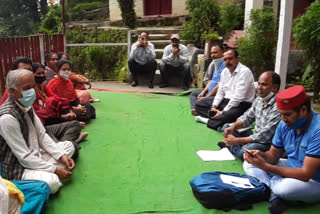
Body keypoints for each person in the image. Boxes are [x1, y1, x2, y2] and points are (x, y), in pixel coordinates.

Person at [243, 85, 320, 214]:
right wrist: (261, 155)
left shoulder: (317, 130)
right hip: (292, 167)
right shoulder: (284, 123)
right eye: (281, 114)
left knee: (285, 189)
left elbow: (306, 174)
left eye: (287, 115)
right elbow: (273, 155)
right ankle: (274, 195)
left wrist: (267, 168)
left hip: (314, 181)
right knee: (249, 163)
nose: (283, 119)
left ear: (304, 110)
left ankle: (271, 189)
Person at [0, 69, 76, 194]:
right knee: (53, 182)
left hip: (37, 155)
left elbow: (42, 135)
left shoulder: (25, 105)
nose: (32, 91)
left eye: (33, 86)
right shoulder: (7, 118)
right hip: (19, 167)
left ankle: (48, 169)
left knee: (69, 146)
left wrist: (61, 156)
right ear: (12, 91)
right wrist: (54, 170)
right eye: (27, 88)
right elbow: (24, 157)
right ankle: (46, 175)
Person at [219, 71, 281, 160]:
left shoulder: (278, 106)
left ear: (275, 88)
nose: (259, 88)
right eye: (258, 84)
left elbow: (264, 135)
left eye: (264, 85)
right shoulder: (259, 100)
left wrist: (237, 141)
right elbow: (247, 117)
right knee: (226, 127)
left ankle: (231, 147)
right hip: (255, 135)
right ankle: (236, 145)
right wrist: (233, 126)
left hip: (267, 143)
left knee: (243, 153)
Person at [195, 49, 255, 131]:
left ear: (237, 59)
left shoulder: (245, 72)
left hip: (241, 104)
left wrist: (223, 112)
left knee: (227, 115)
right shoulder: (224, 72)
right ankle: (221, 120)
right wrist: (214, 106)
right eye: (225, 59)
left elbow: (239, 97)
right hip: (225, 101)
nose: (227, 62)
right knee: (199, 104)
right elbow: (220, 92)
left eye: (230, 59)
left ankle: (209, 120)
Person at [189, 44, 225, 116]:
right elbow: (210, 80)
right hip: (209, 92)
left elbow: (220, 85)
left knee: (200, 102)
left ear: (222, 52)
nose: (212, 55)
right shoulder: (214, 63)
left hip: (218, 95)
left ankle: (203, 110)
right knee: (194, 94)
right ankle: (196, 109)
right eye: (211, 53)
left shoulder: (226, 65)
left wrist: (207, 97)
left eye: (215, 52)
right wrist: (203, 92)